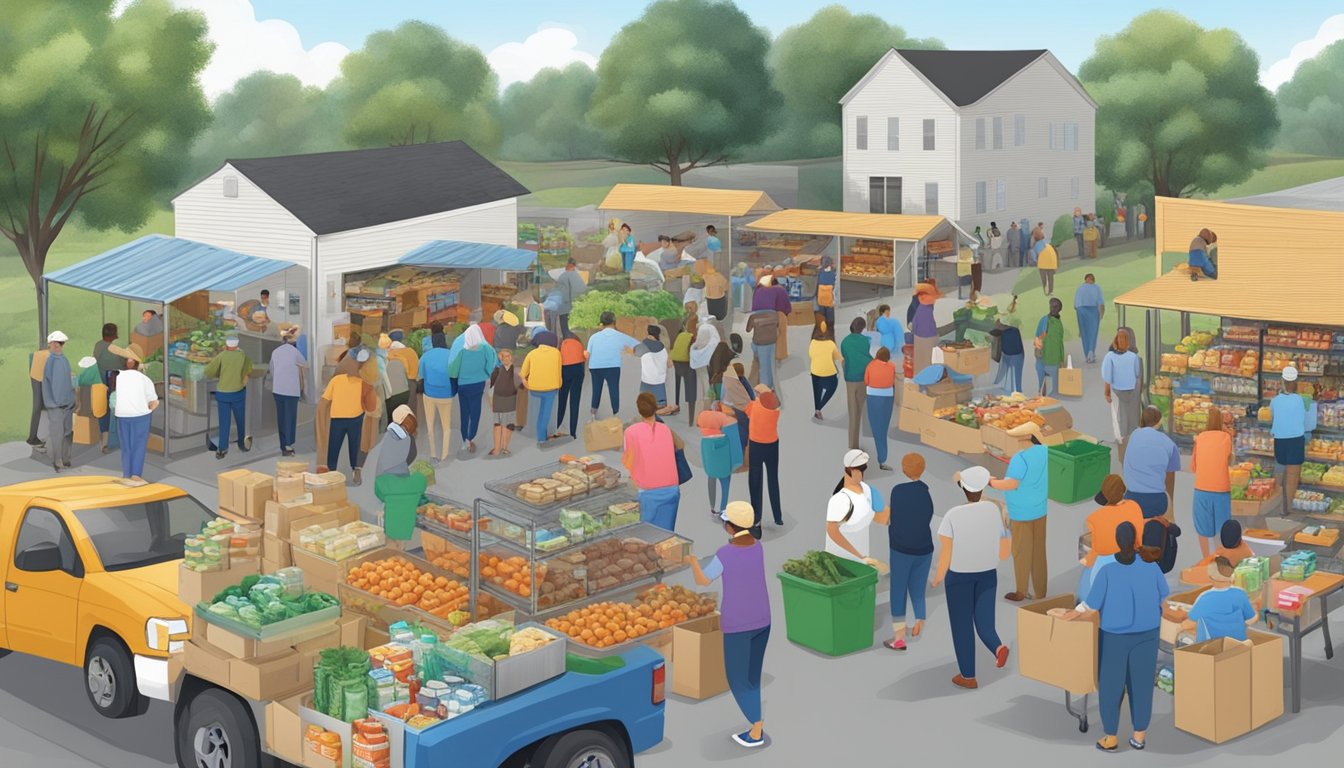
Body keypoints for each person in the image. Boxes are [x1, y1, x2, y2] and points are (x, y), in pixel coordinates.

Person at [1066, 522, 1166, 752]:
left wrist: (1071, 614)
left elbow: (1090, 607)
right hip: (1148, 635)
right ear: (1135, 540)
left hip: (1114, 637)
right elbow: (1164, 599)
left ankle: (1111, 737)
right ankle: (1139, 736)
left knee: (1111, 686)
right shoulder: (1151, 568)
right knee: (1141, 686)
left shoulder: (1107, 571)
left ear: (1116, 542)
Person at [684, 501, 771, 749]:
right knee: (752, 676)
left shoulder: (725, 553)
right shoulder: (759, 547)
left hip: (738, 624)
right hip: (763, 620)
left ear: (730, 527)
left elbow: (702, 580)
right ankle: (755, 722)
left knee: (736, 678)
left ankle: (756, 729)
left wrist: (692, 561)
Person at [932, 466, 1011, 689]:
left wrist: (938, 577)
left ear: (963, 489)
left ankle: (968, 676)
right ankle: (997, 647)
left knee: (962, 625)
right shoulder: (993, 510)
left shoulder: (952, 515)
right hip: (988, 574)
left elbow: (946, 552)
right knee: (985, 622)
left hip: (959, 577)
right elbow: (1004, 553)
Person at [990, 426, 1050, 602]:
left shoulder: (1020, 458)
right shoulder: (1045, 451)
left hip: (1021, 512)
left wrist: (991, 482)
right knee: (1039, 551)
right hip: (1040, 509)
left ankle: (1021, 591)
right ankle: (1040, 591)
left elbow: (1011, 484)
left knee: (1021, 552)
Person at [884, 453, 934, 651]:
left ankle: (898, 638)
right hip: (924, 549)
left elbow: (894, 517)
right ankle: (919, 622)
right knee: (918, 588)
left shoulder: (898, 491)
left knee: (898, 590)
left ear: (904, 468)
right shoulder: (926, 492)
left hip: (901, 549)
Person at [1077, 475, 1145, 599]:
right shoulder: (1135, 506)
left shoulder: (1093, 519)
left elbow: (1094, 552)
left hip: (1104, 561)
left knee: (1085, 584)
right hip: (1134, 555)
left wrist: (1086, 561)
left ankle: (1084, 602)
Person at [624, 392, 683, 530]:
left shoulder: (631, 432)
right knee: (666, 533)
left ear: (639, 409)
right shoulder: (666, 429)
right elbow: (679, 446)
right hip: (672, 489)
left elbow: (629, 461)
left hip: (647, 491)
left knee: (646, 535)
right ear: (656, 408)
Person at [374, 405, 427, 549]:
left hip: (385, 481)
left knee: (390, 511)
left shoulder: (389, 435)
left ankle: (391, 543)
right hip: (400, 477)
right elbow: (411, 456)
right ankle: (399, 545)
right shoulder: (409, 439)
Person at [825, 449, 888, 566]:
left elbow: (882, 516)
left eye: (863, 469)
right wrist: (859, 556)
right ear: (850, 470)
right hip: (840, 561)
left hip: (863, 558)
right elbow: (832, 531)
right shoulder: (840, 500)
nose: (862, 474)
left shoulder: (867, 490)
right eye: (860, 470)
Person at [102, 343, 155, 481]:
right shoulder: (145, 379)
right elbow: (153, 401)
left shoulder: (117, 377)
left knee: (126, 446)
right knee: (138, 445)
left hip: (122, 416)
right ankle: (136, 475)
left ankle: (126, 474)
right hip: (141, 416)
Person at [321, 353, 374, 483]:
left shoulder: (336, 380)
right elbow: (371, 406)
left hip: (337, 418)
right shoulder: (364, 383)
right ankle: (356, 472)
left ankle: (331, 472)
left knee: (334, 445)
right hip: (356, 418)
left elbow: (325, 399)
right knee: (355, 445)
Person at [1122, 406, 1181, 519]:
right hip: (1157, 501)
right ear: (1159, 421)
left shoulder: (1133, 436)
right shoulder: (1169, 443)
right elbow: (1170, 479)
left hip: (1131, 499)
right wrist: (1170, 503)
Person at [1178, 557, 1256, 642]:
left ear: (1210, 577)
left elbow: (1191, 619)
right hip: (1238, 644)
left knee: (1184, 632)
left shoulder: (1204, 598)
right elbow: (1251, 617)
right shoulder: (1240, 594)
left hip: (1211, 646)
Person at [1270, 366, 1314, 514]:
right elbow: (1309, 420)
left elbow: (1274, 418)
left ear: (1282, 381)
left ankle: (1276, 506)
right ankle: (1288, 508)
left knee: (1279, 474)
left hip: (1280, 440)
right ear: (1295, 382)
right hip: (1296, 440)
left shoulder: (1274, 401)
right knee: (1292, 476)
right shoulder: (1303, 400)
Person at [1190, 409, 1234, 557]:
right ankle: (1220, 558)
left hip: (1201, 488)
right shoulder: (1226, 438)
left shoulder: (1200, 438)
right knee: (1222, 528)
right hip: (1221, 489)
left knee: (1202, 528)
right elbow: (1229, 460)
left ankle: (1206, 558)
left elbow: (1193, 467)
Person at [447, 324, 496, 454]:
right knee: (475, 412)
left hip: (463, 385)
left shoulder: (462, 349)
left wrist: (456, 377)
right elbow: (492, 363)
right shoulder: (485, 347)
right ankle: (470, 436)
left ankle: (464, 440)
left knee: (464, 412)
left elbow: (452, 370)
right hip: (478, 384)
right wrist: (485, 373)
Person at [205, 336, 253, 460]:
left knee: (224, 422)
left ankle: (222, 449)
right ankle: (242, 444)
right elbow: (249, 368)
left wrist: (219, 373)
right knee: (240, 420)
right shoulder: (242, 356)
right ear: (237, 345)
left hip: (223, 394)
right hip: (238, 393)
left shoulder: (221, 356)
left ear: (226, 345)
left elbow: (208, 371)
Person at [586, 311, 638, 417]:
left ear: (601, 323)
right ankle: (616, 414)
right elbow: (637, 344)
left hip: (595, 367)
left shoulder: (593, 337)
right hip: (613, 367)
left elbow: (588, 353)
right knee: (614, 390)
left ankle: (593, 415)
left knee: (596, 390)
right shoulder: (620, 336)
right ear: (614, 322)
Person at [746, 389, 783, 535]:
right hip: (773, 445)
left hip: (756, 445)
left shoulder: (754, 405)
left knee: (755, 482)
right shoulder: (775, 411)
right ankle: (777, 516)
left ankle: (756, 523)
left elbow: (747, 411)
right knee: (773, 479)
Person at [1102, 331, 1142, 460]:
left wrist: (1106, 393)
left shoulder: (1110, 357)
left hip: (1117, 393)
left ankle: (1121, 446)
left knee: (1118, 418)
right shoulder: (1133, 357)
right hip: (1132, 391)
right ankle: (1133, 444)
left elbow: (1107, 377)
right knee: (1132, 416)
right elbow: (1137, 373)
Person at [268, 325, 306, 456]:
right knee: (290, 417)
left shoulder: (275, 351)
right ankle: (288, 445)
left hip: (278, 389)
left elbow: (272, 370)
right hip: (291, 390)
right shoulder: (294, 351)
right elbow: (304, 363)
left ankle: (283, 444)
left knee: (281, 417)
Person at [698, 401, 740, 517]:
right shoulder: (729, 423)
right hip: (725, 462)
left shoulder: (704, 424)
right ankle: (723, 508)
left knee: (711, 479)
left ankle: (713, 507)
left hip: (711, 463)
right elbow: (734, 447)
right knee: (725, 484)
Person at [521, 330, 563, 448]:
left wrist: (525, 383)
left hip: (534, 388)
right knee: (545, 413)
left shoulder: (532, 354)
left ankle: (534, 432)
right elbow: (559, 371)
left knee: (534, 410)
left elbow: (523, 373)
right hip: (551, 388)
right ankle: (541, 438)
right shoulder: (556, 353)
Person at [419, 332, 455, 461]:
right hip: (447, 395)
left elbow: (420, 375)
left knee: (430, 426)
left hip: (429, 395)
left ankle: (433, 454)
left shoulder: (426, 356)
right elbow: (455, 373)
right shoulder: (451, 354)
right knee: (446, 427)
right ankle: (444, 455)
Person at [841, 317, 872, 450]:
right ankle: (856, 444)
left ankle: (852, 445)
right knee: (859, 411)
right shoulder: (865, 341)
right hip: (862, 379)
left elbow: (845, 358)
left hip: (850, 379)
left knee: (852, 412)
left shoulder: (845, 341)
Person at [488, 348, 523, 457]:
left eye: (508, 356)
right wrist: (490, 401)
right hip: (498, 399)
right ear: (501, 359)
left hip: (511, 399)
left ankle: (505, 447)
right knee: (497, 424)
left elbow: (521, 386)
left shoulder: (516, 371)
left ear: (511, 357)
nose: (506, 358)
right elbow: (491, 386)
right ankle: (497, 448)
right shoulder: (497, 370)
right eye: (503, 357)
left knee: (509, 425)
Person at [553, 331, 587, 440]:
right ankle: (573, 432)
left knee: (562, 400)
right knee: (575, 401)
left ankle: (557, 427)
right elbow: (584, 358)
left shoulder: (562, 344)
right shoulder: (579, 343)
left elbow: (558, 359)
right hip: (578, 369)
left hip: (565, 369)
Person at [808, 317, 842, 421]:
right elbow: (839, 358)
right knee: (832, 387)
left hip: (815, 371)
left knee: (816, 391)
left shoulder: (812, 342)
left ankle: (817, 409)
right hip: (829, 373)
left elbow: (810, 355)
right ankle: (820, 407)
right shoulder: (831, 344)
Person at [634, 325, 671, 411]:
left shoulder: (645, 345)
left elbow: (636, 352)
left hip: (647, 379)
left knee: (645, 404)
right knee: (660, 405)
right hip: (660, 379)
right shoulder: (662, 347)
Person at [991, 303, 1025, 394]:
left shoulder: (1015, 317)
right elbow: (996, 328)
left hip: (1015, 352)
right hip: (1006, 351)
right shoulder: (1001, 315)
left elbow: (1009, 325)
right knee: (1002, 378)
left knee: (1015, 379)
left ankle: (1017, 395)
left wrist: (1001, 326)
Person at [551, 257, 587, 338]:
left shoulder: (564, 276)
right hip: (575, 306)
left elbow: (562, 294)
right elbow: (582, 290)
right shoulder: (577, 276)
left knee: (565, 329)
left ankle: (567, 343)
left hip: (566, 307)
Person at [745, 308, 780, 391]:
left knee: (756, 365)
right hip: (771, 342)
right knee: (768, 366)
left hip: (758, 343)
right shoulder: (775, 314)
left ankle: (754, 388)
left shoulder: (754, 316)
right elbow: (778, 326)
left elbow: (748, 329)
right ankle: (767, 388)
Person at [1035, 298, 1064, 396]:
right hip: (1042, 357)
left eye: (1056, 307)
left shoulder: (1058, 324)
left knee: (1055, 385)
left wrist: (1061, 359)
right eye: (1052, 306)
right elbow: (1038, 336)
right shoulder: (1044, 321)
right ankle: (1041, 393)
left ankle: (1053, 393)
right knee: (1041, 384)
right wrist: (1038, 349)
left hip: (1053, 358)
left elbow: (1060, 343)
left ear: (1059, 309)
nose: (1053, 309)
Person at [671, 315, 697, 419]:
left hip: (675, 363)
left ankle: (675, 406)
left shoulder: (680, 335)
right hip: (687, 364)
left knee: (676, 387)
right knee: (690, 388)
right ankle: (691, 413)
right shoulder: (693, 337)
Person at [1074, 273, 1105, 364]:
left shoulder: (1080, 288)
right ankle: (1091, 352)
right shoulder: (1097, 288)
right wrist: (1101, 314)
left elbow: (1075, 305)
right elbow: (1101, 303)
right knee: (1093, 333)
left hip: (1081, 310)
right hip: (1093, 311)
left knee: (1084, 333)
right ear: (1093, 280)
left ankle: (1087, 353)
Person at [910, 281, 940, 373]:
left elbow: (914, 323)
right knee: (929, 359)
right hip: (928, 337)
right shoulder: (928, 310)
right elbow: (931, 327)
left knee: (920, 360)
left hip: (918, 336)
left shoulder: (920, 308)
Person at [815, 255, 837, 331]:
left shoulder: (820, 271)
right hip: (829, 296)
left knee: (821, 313)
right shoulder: (833, 271)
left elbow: (817, 283)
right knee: (830, 314)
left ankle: (822, 328)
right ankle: (830, 327)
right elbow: (834, 284)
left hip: (821, 296)